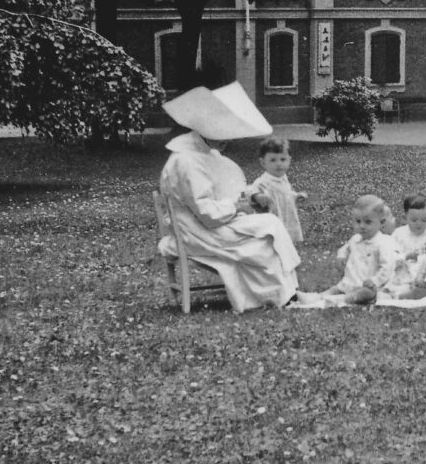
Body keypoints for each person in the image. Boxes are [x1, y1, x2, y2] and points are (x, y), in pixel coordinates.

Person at [157, 83, 301, 313]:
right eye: (222, 135)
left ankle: (285, 291)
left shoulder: (203, 154)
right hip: (197, 231)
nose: (227, 141)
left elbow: (222, 191)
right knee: (266, 234)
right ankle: (276, 294)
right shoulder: (185, 161)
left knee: (270, 224)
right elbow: (206, 212)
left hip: (211, 222)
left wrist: (239, 203)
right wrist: (234, 205)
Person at [297, 195, 397, 306]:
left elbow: (387, 267)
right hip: (351, 281)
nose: (362, 226)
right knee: (336, 289)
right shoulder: (355, 239)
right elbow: (344, 249)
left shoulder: (383, 243)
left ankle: (339, 300)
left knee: (364, 293)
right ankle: (316, 298)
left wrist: (375, 281)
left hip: (370, 286)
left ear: (382, 222)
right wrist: (341, 256)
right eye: (358, 221)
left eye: (368, 222)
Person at [247, 137, 307, 242]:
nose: (279, 164)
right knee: (274, 243)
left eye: (283, 159)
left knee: (287, 242)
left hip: (286, 216)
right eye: (273, 160)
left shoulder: (283, 178)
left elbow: (286, 193)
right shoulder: (263, 181)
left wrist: (296, 196)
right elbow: (249, 190)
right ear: (263, 163)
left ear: (289, 160)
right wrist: (257, 196)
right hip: (272, 219)